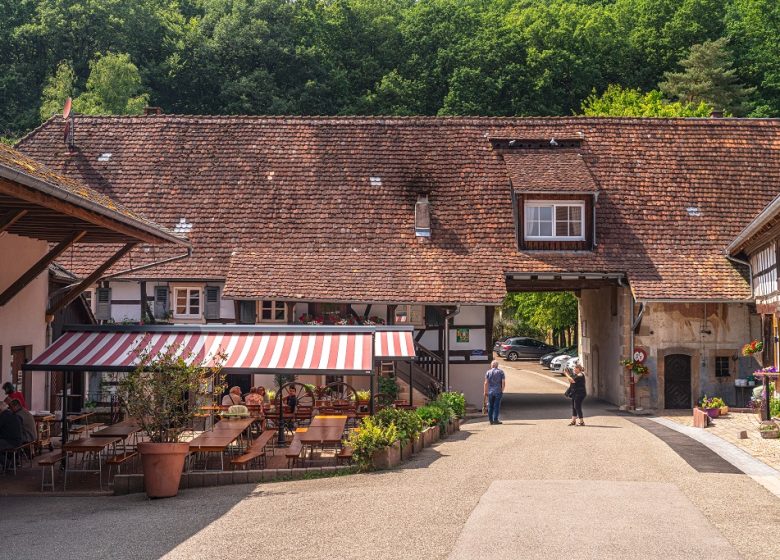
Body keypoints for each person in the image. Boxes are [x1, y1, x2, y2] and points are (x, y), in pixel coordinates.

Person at [483, 360, 506, 425]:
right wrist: (502, 390)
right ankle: (495, 419)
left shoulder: (488, 372)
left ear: (491, 365)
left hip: (490, 391)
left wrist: (485, 391)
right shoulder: (501, 372)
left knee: (490, 406)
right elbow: (503, 382)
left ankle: (490, 420)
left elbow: (486, 383)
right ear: (497, 365)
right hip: (498, 391)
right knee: (496, 406)